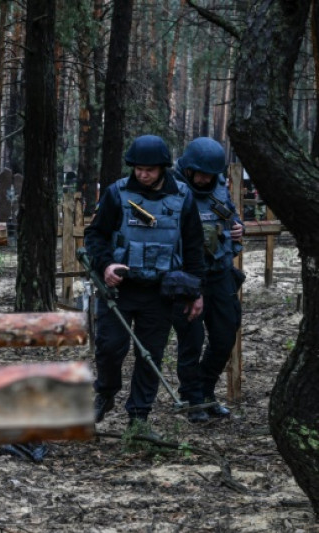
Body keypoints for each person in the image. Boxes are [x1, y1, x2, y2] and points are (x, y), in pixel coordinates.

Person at [83, 135, 206, 435]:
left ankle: (139, 416)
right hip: (119, 288)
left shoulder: (183, 198)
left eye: (149, 169)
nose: (142, 174)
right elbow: (95, 236)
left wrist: (195, 292)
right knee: (110, 347)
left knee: (150, 355)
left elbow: (193, 247)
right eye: (138, 168)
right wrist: (106, 264)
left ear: (162, 168)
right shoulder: (117, 193)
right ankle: (106, 392)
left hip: (161, 292)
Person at [170, 137, 243, 422]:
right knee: (192, 340)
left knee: (225, 335)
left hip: (220, 274)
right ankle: (193, 399)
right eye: (199, 173)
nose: (203, 179)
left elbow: (233, 220)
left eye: (209, 174)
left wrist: (238, 230)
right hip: (186, 277)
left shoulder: (219, 190)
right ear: (188, 168)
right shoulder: (171, 190)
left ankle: (207, 391)